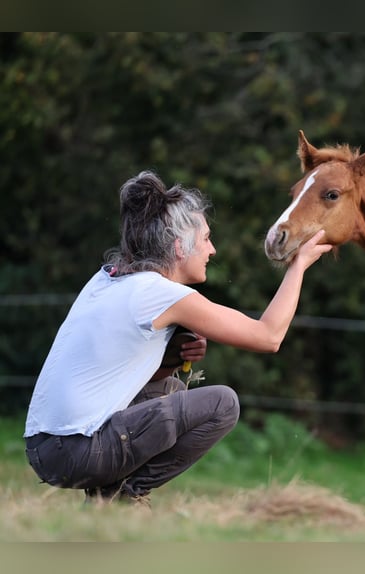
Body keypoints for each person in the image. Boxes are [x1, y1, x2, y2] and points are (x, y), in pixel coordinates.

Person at [23, 170, 331, 507]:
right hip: (76, 450)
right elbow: (268, 336)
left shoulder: (106, 280)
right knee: (222, 404)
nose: (212, 250)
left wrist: (168, 359)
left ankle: (109, 497)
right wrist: (298, 267)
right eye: (206, 239)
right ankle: (124, 496)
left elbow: (117, 377)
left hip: (44, 448)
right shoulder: (161, 294)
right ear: (178, 248)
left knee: (170, 390)